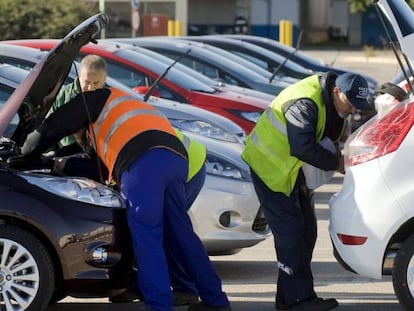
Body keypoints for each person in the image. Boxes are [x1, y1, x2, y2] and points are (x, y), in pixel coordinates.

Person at [21, 86, 231, 311]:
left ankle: (158, 305)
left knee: (147, 236)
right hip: (176, 158)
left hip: (142, 163)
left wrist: (25, 153)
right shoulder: (122, 104)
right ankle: (216, 301)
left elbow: (55, 125)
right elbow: (90, 159)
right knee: (181, 233)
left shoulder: (91, 100)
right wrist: (53, 161)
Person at [241, 72, 372, 311]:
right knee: (291, 235)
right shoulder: (305, 102)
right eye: (350, 102)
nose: (352, 109)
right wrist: (337, 164)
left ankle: (290, 297)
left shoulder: (329, 101)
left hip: (292, 172)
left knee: (307, 232)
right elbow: (302, 146)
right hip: (270, 168)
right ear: (337, 91)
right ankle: (298, 300)